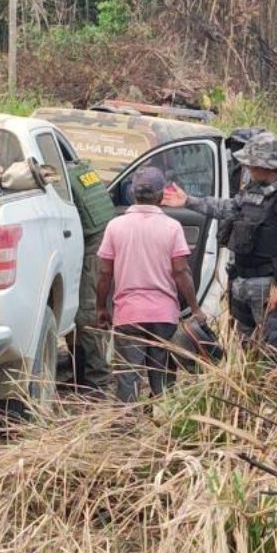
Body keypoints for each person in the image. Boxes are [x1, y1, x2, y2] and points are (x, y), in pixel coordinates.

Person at [162, 131, 277, 362]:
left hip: (268, 285)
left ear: (266, 165)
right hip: (241, 282)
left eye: (251, 164)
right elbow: (229, 208)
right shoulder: (253, 188)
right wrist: (189, 202)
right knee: (246, 349)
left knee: (274, 354)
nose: (246, 168)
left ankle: (275, 396)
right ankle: (249, 394)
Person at [95, 167, 205, 402]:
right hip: (164, 316)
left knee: (127, 377)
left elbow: (104, 273)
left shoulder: (115, 226)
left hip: (128, 315)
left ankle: (125, 428)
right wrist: (194, 308)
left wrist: (101, 308)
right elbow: (181, 271)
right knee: (162, 376)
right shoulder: (172, 227)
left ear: (132, 193)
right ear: (160, 195)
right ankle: (162, 423)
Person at [64, 156, 117, 394]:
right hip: (89, 242)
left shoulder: (59, 178)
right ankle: (79, 376)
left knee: (87, 315)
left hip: (93, 246)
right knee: (78, 313)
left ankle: (97, 383)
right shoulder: (78, 170)